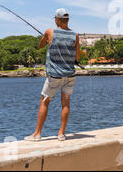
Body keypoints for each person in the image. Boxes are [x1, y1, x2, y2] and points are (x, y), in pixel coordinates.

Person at [25, 8, 81, 142]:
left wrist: (45, 39)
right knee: (66, 103)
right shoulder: (75, 35)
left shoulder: (50, 31)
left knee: (44, 102)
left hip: (54, 76)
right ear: (66, 20)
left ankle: (37, 134)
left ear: (57, 19)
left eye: (55, 19)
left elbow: (40, 45)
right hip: (70, 74)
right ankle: (61, 134)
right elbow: (77, 56)